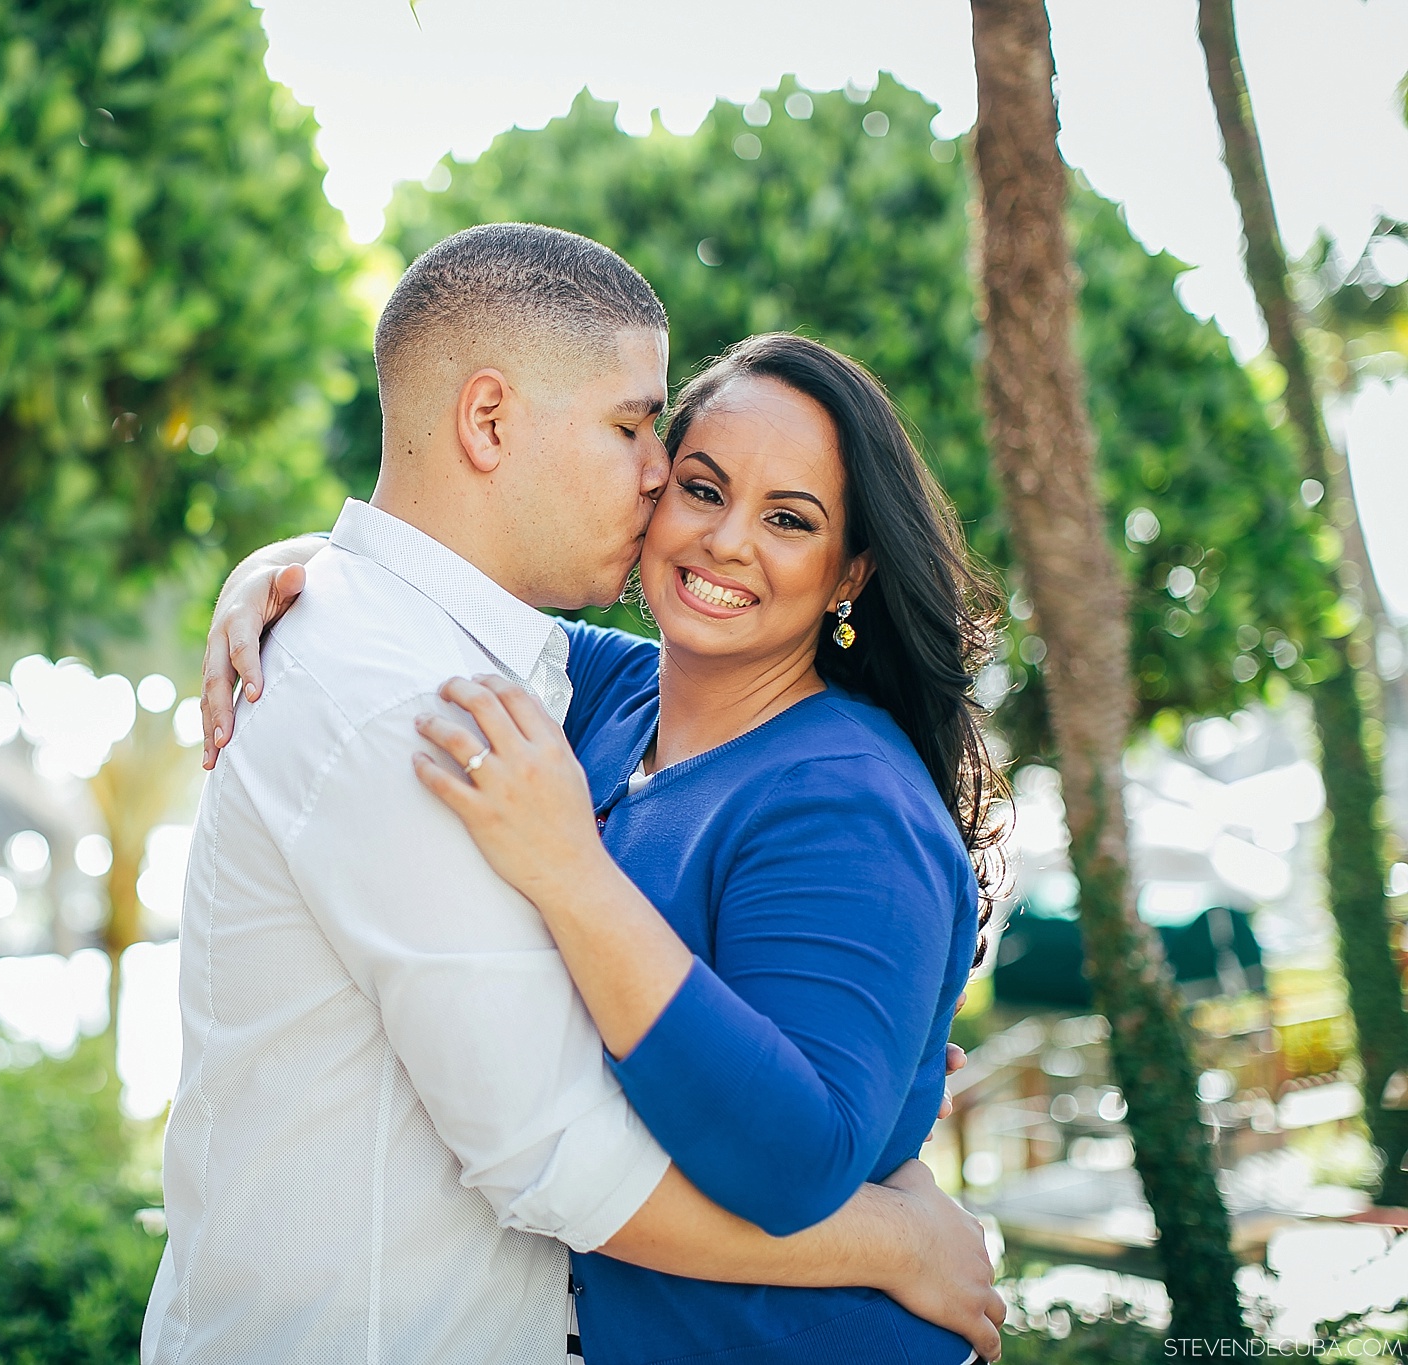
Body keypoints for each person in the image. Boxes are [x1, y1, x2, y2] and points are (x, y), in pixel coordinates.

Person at [150, 223, 1003, 1365]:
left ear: (850, 572)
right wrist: (278, 571)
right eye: (670, 459)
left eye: (790, 518)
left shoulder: (843, 793)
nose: (687, 506)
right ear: (490, 420)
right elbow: (421, 580)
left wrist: (569, 871)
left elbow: (792, 1151)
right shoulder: (592, 700)